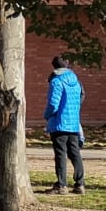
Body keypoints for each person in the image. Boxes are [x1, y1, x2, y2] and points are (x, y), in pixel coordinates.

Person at [45, 56, 85, 194]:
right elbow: (81, 97)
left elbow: (53, 104)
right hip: (73, 122)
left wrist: (47, 115)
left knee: (60, 153)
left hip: (59, 123)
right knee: (75, 153)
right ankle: (80, 183)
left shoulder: (56, 81)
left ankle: (62, 184)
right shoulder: (76, 80)